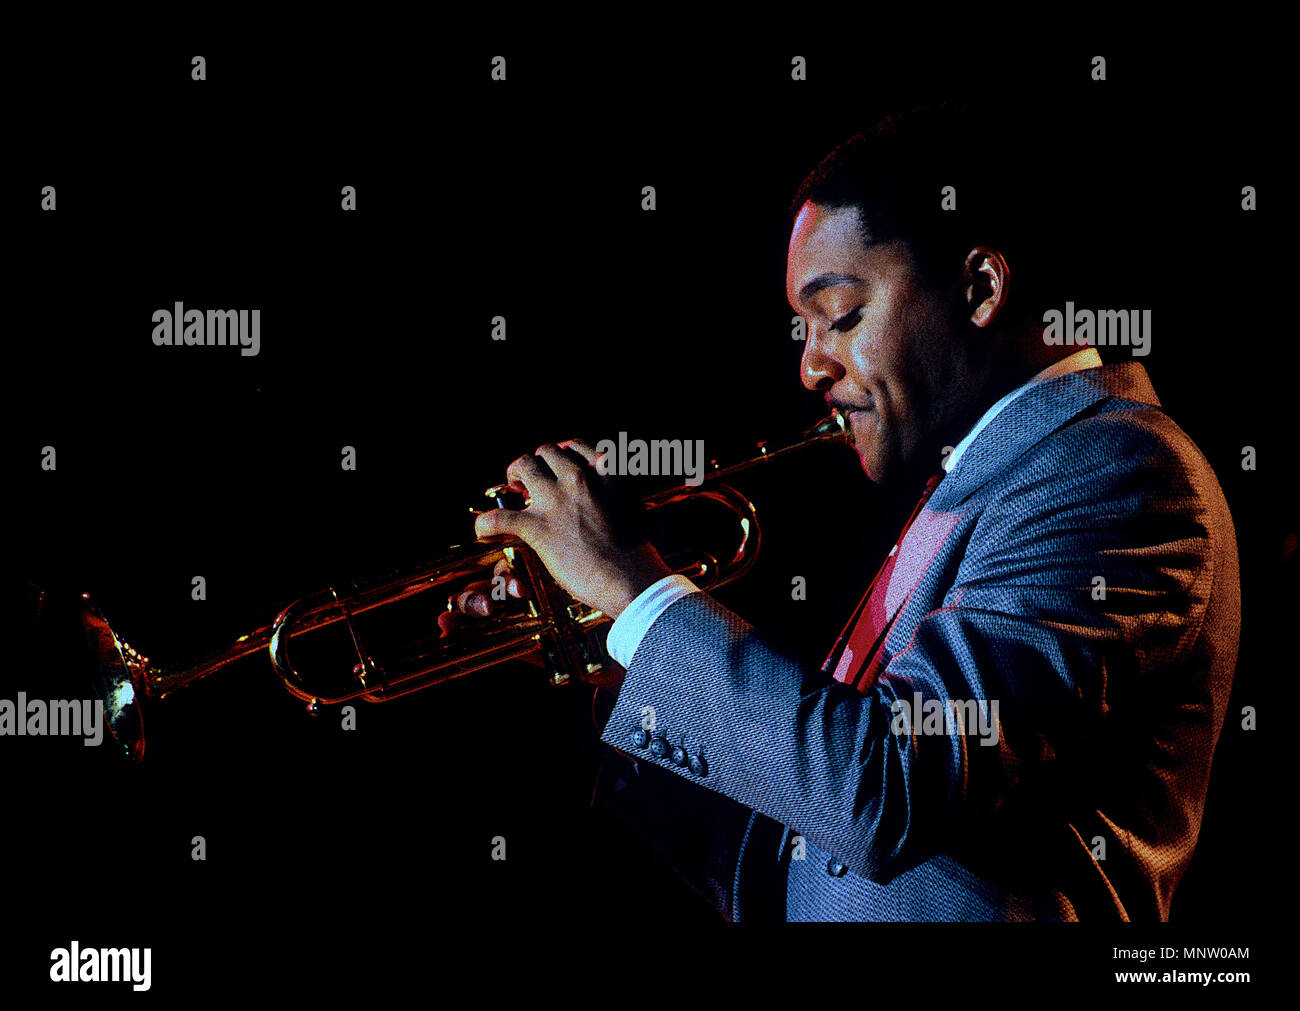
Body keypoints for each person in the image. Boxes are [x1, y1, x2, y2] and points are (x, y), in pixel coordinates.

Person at [450, 105, 1240, 921]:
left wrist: (636, 588)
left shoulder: (1116, 470)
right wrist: (617, 649)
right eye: (803, 329)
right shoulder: (983, 483)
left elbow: (885, 785)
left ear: (979, 288)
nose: (809, 366)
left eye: (842, 315)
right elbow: (806, 845)